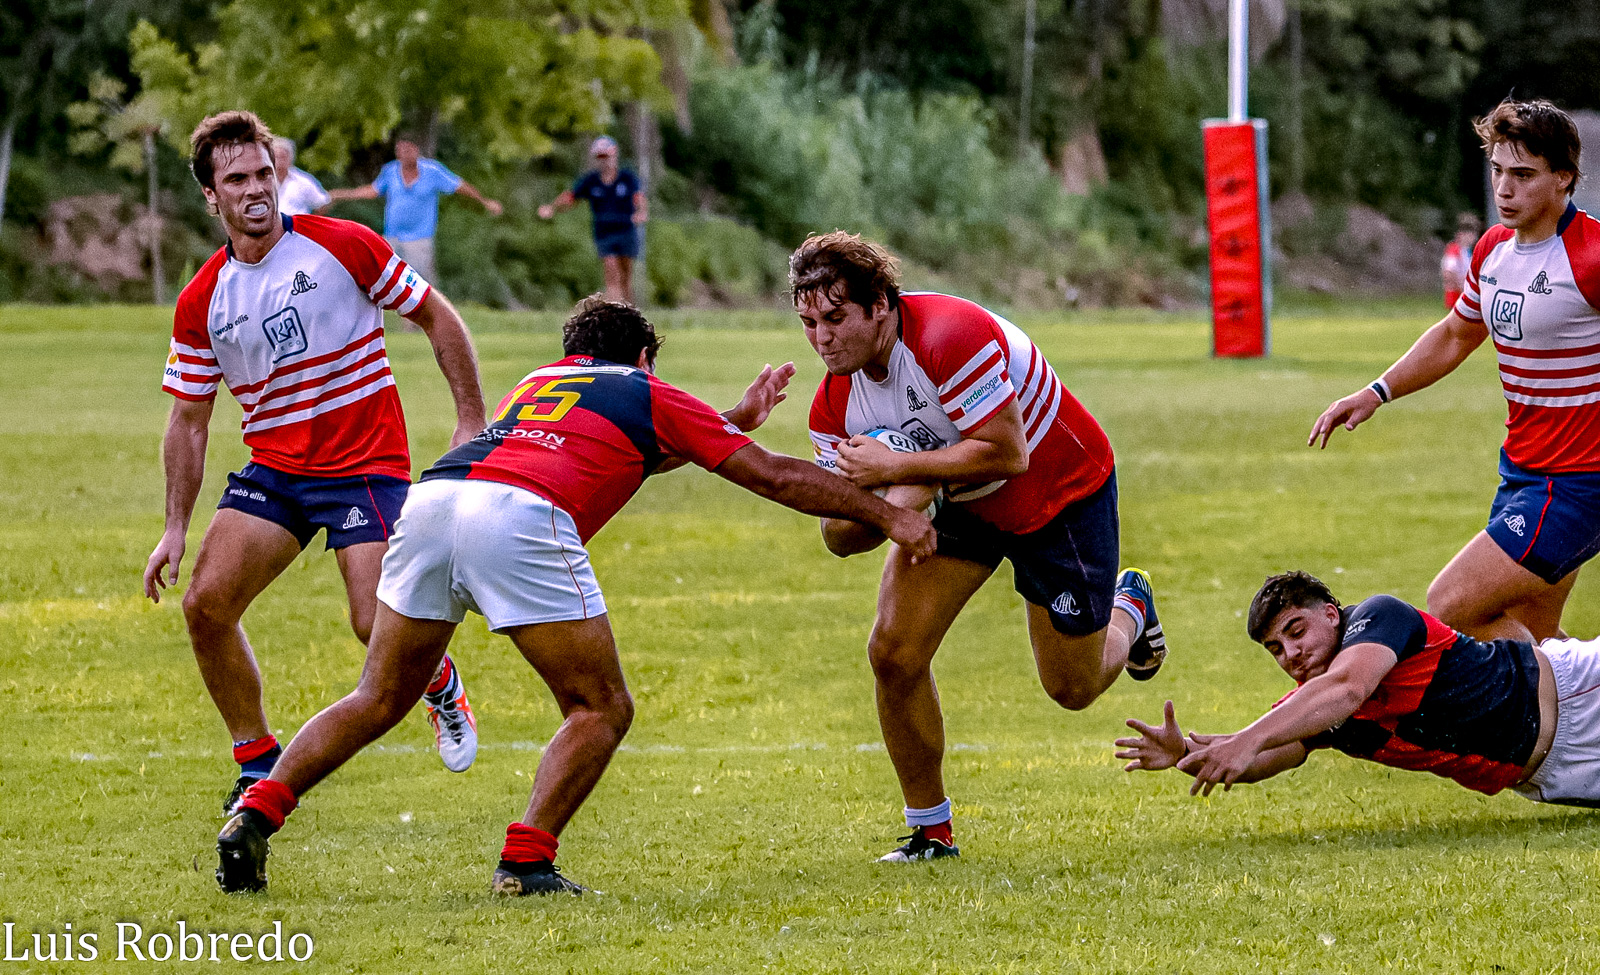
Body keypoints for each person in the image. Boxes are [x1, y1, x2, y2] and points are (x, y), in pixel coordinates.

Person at [214, 296, 938, 896]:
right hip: (518, 517)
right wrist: (891, 515)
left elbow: (611, 453)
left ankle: (256, 812)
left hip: (433, 501)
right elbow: (774, 477)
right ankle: (526, 860)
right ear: (645, 358)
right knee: (601, 706)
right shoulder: (647, 390)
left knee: (376, 696)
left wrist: (730, 422)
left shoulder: (537, 382)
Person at [143, 111, 489, 817]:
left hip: (364, 465)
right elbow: (188, 418)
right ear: (212, 196)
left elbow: (437, 317)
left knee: (376, 624)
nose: (255, 189)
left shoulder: (343, 245)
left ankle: (440, 683)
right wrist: (175, 526)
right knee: (206, 605)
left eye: (263, 173)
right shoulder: (202, 300)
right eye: (236, 179)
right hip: (276, 471)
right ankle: (257, 762)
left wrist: (470, 419)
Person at [789, 231, 1167, 862]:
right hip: (962, 500)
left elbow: (1008, 453)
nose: (821, 338)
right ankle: (931, 832)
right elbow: (838, 536)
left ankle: (1130, 608)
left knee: (1071, 689)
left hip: (1057, 492)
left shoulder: (947, 336)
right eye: (807, 322)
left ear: (880, 304)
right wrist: (886, 497)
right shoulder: (835, 403)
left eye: (835, 318)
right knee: (893, 653)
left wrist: (898, 469)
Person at [1311, 98, 1600, 645]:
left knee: (1453, 602)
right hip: (1521, 472)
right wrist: (1377, 391)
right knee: (1533, 637)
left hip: (1580, 482)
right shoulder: (1492, 250)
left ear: (1564, 178)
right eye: (1497, 170)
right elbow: (1455, 334)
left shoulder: (1590, 256)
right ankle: (1579, 716)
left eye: (1523, 174)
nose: (1504, 188)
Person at [1117, 571, 1599, 809]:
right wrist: (1184, 751)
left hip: (1580, 691)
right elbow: (1263, 756)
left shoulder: (1379, 617)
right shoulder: (1311, 706)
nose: (1290, 654)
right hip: (1553, 778)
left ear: (1331, 612)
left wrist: (1244, 739)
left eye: (1296, 630)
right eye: (1275, 649)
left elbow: (1347, 688)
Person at [328, 136, 502, 284]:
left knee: (416, 283)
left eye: (407, 149)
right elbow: (372, 191)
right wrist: (339, 195)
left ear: (416, 150)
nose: (403, 154)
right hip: (393, 236)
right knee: (384, 279)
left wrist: (484, 202)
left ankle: (418, 322)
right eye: (399, 150)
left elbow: (459, 186)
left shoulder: (432, 172)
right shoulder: (390, 171)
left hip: (419, 239)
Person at [538, 136, 648, 305]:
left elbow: (639, 198)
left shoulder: (627, 178)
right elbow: (571, 197)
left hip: (626, 229)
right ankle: (614, 308)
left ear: (614, 155)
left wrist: (641, 213)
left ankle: (630, 311)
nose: (604, 161)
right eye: (600, 157)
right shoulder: (591, 181)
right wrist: (551, 208)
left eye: (606, 156)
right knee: (611, 270)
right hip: (604, 231)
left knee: (625, 275)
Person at [271, 138, 330, 217]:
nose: (279, 161)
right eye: (276, 157)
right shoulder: (263, 181)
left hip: (297, 226)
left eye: (282, 157)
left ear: (290, 158)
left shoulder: (303, 181)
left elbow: (321, 204)